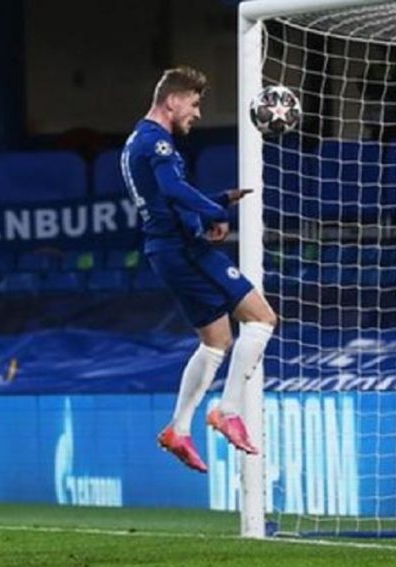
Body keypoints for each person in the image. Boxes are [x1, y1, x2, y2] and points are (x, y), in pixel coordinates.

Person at [121, 67, 278, 473]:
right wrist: (215, 211)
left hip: (168, 249)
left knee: (216, 340)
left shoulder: (137, 140)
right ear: (172, 101)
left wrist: (219, 200)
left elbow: (164, 200)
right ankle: (227, 410)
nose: (197, 113)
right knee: (261, 319)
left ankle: (178, 429)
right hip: (184, 250)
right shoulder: (157, 142)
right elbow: (173, 191)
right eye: (193, 104)